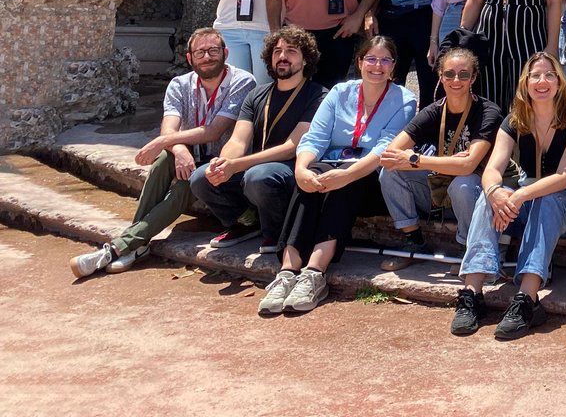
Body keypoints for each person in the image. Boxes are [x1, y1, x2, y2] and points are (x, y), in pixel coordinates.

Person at [70, 29, 257, 278]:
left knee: (184, 183)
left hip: (222, 161)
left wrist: (165, 140)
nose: (207, 57)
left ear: (225, 53)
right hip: (191, 155)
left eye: (213, 50)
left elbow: (214, 131)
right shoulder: (180, 84)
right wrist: (177, 148)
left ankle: (118, 247)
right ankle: (137, 242)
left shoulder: (242, 81)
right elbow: (169, 127)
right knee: (163, 160)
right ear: (190, 58)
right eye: (200, 52)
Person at [259, 36, 416, 314]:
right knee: (310, 180)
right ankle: (287, 272)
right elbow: (315, 138)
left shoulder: (404, 99)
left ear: (393, 67)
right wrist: (301, 168)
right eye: (371, 58)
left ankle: (314, 273)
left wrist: (347, 175)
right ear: (359, 62)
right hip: (329, 165)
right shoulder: (340, 92)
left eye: (385, 60)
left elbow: (385, 148)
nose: (377, 66)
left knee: (346, 181)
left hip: (369, 175)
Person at [453, 52, 566, 339]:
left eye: (549, 75)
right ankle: (472, 292)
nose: (542, 81)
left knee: (545, 199)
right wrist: (495, 192)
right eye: (535, 76)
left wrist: (519, 196)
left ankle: (527, 299)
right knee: (487, 197)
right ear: (525, 83)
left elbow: (564, 176)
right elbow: (492, 168)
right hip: (529, 200)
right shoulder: (515, 119)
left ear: (559, 82)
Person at [190, 26, 327, 254]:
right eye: (277, 51)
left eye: (291, 51)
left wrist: (239, 164)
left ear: (305, 60)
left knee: (258, 176)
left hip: (290, 171)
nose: (282, 57)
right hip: (255, 169)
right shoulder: (257, 94)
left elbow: (291, 147)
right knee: (201, 177)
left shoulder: (318, 95)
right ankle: (245, 223)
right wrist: (223, 163)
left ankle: (276, 231)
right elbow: (238, 141)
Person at [376, 48, 500, 271]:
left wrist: (416, 159)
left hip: (476, 195)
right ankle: (413, 241)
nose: (456, 80)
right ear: (440, 76)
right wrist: (445, 162)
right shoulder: (434, 111)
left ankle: (468, 248)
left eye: (463, 75)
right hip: (439, 190)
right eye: (449, 74)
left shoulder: (487, 111)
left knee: (463, 183)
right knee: (390, 173)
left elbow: (468, 166)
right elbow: (390, 155)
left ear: (472, 78)